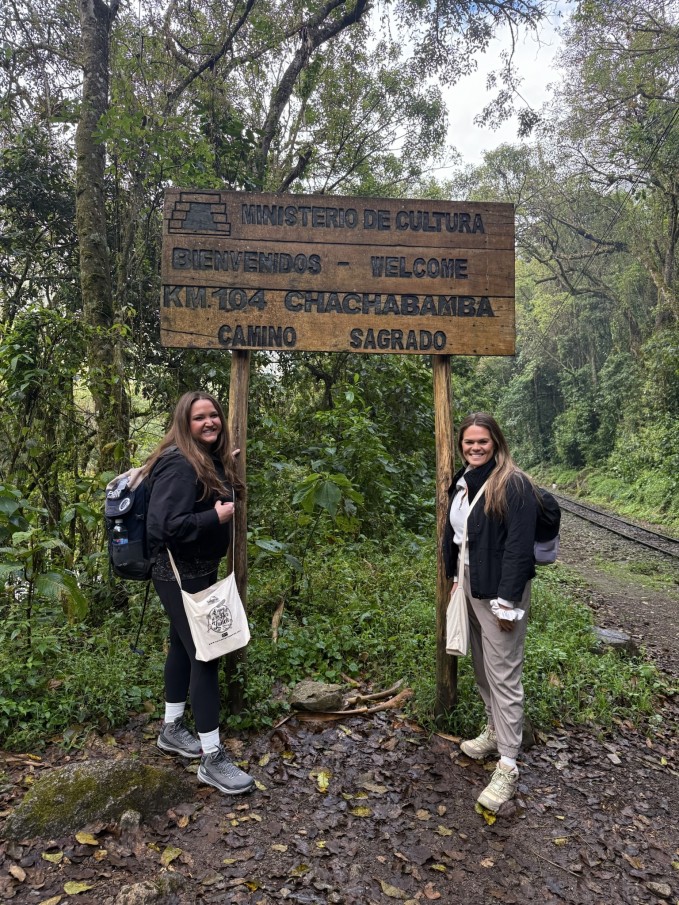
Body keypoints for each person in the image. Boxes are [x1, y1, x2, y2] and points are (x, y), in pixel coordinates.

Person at [143, 390, 254, 796]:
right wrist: (214, 518)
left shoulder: (202, 459)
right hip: (178, 574)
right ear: (184, 424)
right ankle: (212, 757)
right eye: (199, 418)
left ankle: (172, 728)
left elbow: (200, 492)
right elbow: (163, 525)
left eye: (213, 415)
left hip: (196, 571)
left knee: (182, 645)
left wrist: (224, 463)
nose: (209, 422)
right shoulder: (178, 464)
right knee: (207, 654)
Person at [443, 412, 538, 812]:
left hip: (500, 592)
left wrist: (507, 601)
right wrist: (455, 577)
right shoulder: (464, 480)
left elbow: (519, 547)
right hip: (469, 585)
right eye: (469, 442)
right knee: (482, 666)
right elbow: (458, 536)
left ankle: (508, 765)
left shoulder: (512, 483)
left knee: (504, 674)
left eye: (482, 441)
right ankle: (494, 732)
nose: (475, 447)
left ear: (496, 442)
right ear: (461, 445)